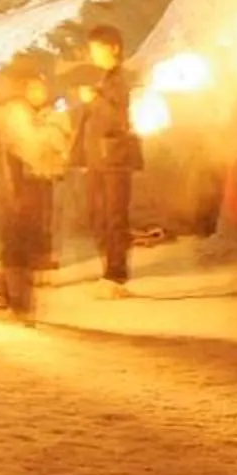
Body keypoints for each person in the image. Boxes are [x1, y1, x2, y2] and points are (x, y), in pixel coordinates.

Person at [68, 25, 144, 294]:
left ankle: (116, 274)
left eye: (97, 49)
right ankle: (109, 269)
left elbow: (119, 118)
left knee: (114, 217)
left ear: (113, 48)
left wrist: (95, 98)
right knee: (98, 216)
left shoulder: (121, 79)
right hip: (99, 159)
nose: (93, 55)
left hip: (115, 159)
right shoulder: (107, 78)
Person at [0, 66, 71, 317]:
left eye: (43, 88)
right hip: (17, 190)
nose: (40, 92)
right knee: (17, 246)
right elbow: (32, 150)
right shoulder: (16, 113)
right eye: (35, 87)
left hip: (29, 189)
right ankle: (18, 303)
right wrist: (51, 136)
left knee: (25, 245)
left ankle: (22, 303)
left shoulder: (36, 114)